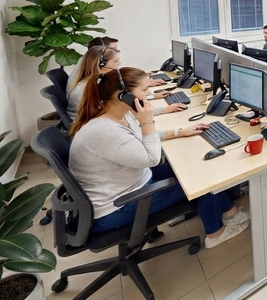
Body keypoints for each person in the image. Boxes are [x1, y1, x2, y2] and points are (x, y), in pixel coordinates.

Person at [68, 67, 249, 249]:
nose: (149, 93)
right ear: (123, 96)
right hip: (116, 208)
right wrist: (147, 121)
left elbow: (140, 136)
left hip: (131, 182)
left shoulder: (116, 114)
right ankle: (216, 234)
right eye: (144, 89)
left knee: (194, 165)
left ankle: (229, 211)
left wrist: (179, 132)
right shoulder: (105, 130)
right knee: (200, 179)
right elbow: (152, 158)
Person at [67, 45, 184, 120]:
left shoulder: (93, 82)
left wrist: (153, 96)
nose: (119, 64)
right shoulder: (91, 89)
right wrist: (163, 110)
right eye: (116, 61)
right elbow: (125, 115)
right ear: (101, 64)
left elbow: (122, 101)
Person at [67, 37, 167, 92]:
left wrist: (139, 82)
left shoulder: (88, 66)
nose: (117, 51)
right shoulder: (94, 84)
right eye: (114, 49)